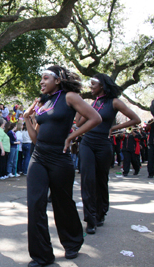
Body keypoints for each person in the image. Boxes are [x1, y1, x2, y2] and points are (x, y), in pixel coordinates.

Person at [23, 65, 102, 267]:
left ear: (57, 80)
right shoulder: (43, 102)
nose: (41, 82)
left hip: (60, 158)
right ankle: (42, 256)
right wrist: (27, 119)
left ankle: (72, 242)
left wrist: (72, 136)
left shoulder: (70, 97)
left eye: (45, 78)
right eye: (40, 79)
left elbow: (95, 118)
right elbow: (35, 138)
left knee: (63, 203)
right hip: (39, 156)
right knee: (35, 204)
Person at [76, 74, 140, 235]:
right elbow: (79, 123)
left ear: (102, 86)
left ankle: (101, 212)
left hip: (103, 144)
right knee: (87, 179)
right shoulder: (93, 103)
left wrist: (114, 128)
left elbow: (136, 119)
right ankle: (90, 219)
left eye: (93, 85)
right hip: (87, 143)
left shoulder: (114, 102)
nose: (90, 87)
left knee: (101, 180)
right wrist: (80, 105)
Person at [147, 102, 154, 178]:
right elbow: (146, 129)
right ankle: (150, 173)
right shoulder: (151, 122)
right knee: (150, 158)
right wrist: (149, 124)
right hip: (151, 142)